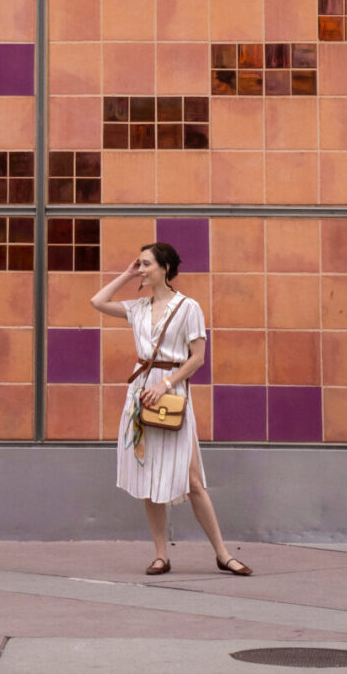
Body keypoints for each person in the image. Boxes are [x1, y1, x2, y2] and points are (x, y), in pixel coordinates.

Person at [91, 241, 253, 577]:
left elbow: (198, 358)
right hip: (141, 394)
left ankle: (223, 554)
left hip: (171, 394)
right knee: (148, 475)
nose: (141, 269)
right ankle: (161, 555)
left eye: (146, 264)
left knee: (192, 480)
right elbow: (98, 301)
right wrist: (127, 274)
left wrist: (165, 384)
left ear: (165, 268)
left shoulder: (188, 307)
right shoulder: (138, 307)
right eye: (139, 264)